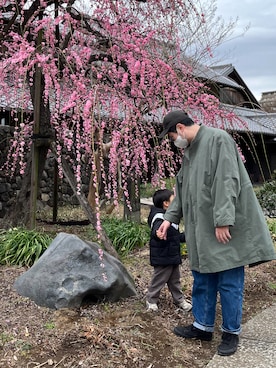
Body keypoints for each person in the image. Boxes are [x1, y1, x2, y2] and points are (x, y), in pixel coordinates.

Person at [157, 110, 276, 356]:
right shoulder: (189, 151)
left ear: (180, 128)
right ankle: (202, 326)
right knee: (203, 277)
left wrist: (223, 220)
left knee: (229, 280)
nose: (172, 142)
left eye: (171, 137)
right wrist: (169, 219)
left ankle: (231, 332)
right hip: (201, 229)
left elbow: (226, 180)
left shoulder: (218, 140)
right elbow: (182, 190)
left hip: (223, 227)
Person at [146, 189, 192, 313]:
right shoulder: (159, 217)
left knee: (175, 280)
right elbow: (157, 229)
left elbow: (175, 237)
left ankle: (179, 299)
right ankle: (151, 299)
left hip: (172, 255)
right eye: (174, 200)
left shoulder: (170, 217)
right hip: (162, 256)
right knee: (159, 279)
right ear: (166, 203)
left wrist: (188, 236)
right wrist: (158, 234)